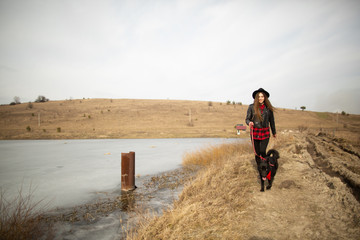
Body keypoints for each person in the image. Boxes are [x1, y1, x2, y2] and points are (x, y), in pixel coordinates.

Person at [245, 88, 276, 164]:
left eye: (262, 96)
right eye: (259, 97)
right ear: (256, 98)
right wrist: (249, 123)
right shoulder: (251, 107)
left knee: (262, 151)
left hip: (265, 132)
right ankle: (260, 170)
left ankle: (266, 166)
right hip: (255, 132)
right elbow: (247, 119)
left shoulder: (268, 108)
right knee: (257, 153)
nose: (260, 98)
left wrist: (274, 132)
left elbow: (272, 121)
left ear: (265, 97)